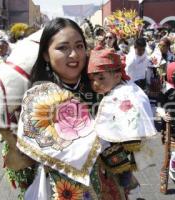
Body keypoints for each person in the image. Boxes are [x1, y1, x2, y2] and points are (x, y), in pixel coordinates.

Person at [16, 17, 128, 199]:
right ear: (45, 54)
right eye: (63, 48)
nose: (74, 55)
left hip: (106, 181)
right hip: (62, 186)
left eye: (79, 46)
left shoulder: (102, 87)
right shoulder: (38, 96)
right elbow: (45, 144)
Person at [87, 48, 157, 194]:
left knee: (121, 178)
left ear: (117, 76)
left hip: (120, 148)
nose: (95, 84)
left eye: (100, 78)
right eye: (92, 79)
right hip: (122, 147)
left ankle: (127, 185)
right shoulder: (127, 88)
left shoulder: (120, 95)